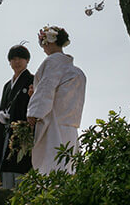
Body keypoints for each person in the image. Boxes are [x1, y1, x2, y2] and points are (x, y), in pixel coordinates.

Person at [26, 25, 86, 174]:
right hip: (70, 124)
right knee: (69, 163)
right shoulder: (78, 72)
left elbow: (46, 88)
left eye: (43, 43)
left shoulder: (53, 62)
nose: (43, 47)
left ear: (50, 41)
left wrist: (33, 113)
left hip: (54, 122)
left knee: (51, 164)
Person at [0, 44, 34, 189]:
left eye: (20, 58)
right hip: (6, 132)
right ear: (9, 62)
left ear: (27, 60)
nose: (17, 62)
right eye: (13, 59)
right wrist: (1, 114)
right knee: (5, 166)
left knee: (21, 168)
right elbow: (2, 106)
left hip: (23, 132)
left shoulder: (32, 80)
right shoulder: (7, 85)